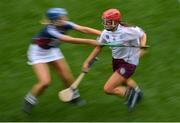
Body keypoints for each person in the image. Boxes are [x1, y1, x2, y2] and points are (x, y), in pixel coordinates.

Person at [22, 8, 101, 114]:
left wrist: (102, 34)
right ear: (55, 20)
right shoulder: (50, 30)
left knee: (67, 77)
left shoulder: (65, 23)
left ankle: (73, 97)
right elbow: (69, 39)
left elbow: (83, 29)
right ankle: (30, 100)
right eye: (62, 17)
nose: (65, 18)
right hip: (38, 53)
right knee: (45, 82)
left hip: (52, 50)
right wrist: (91, 41)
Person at [82, 8, 147, 111]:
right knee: (123, 81)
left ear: (116, 22)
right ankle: (137, 92)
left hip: (128, 63)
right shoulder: (105, 33)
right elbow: (99, 46)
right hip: (116, 61)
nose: (106, 24)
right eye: (105, 22)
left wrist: (142, 47)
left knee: (108, 89)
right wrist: (87, 61)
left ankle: (131, 95)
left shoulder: (128, 31)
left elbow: (142, 34)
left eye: (109, 22)